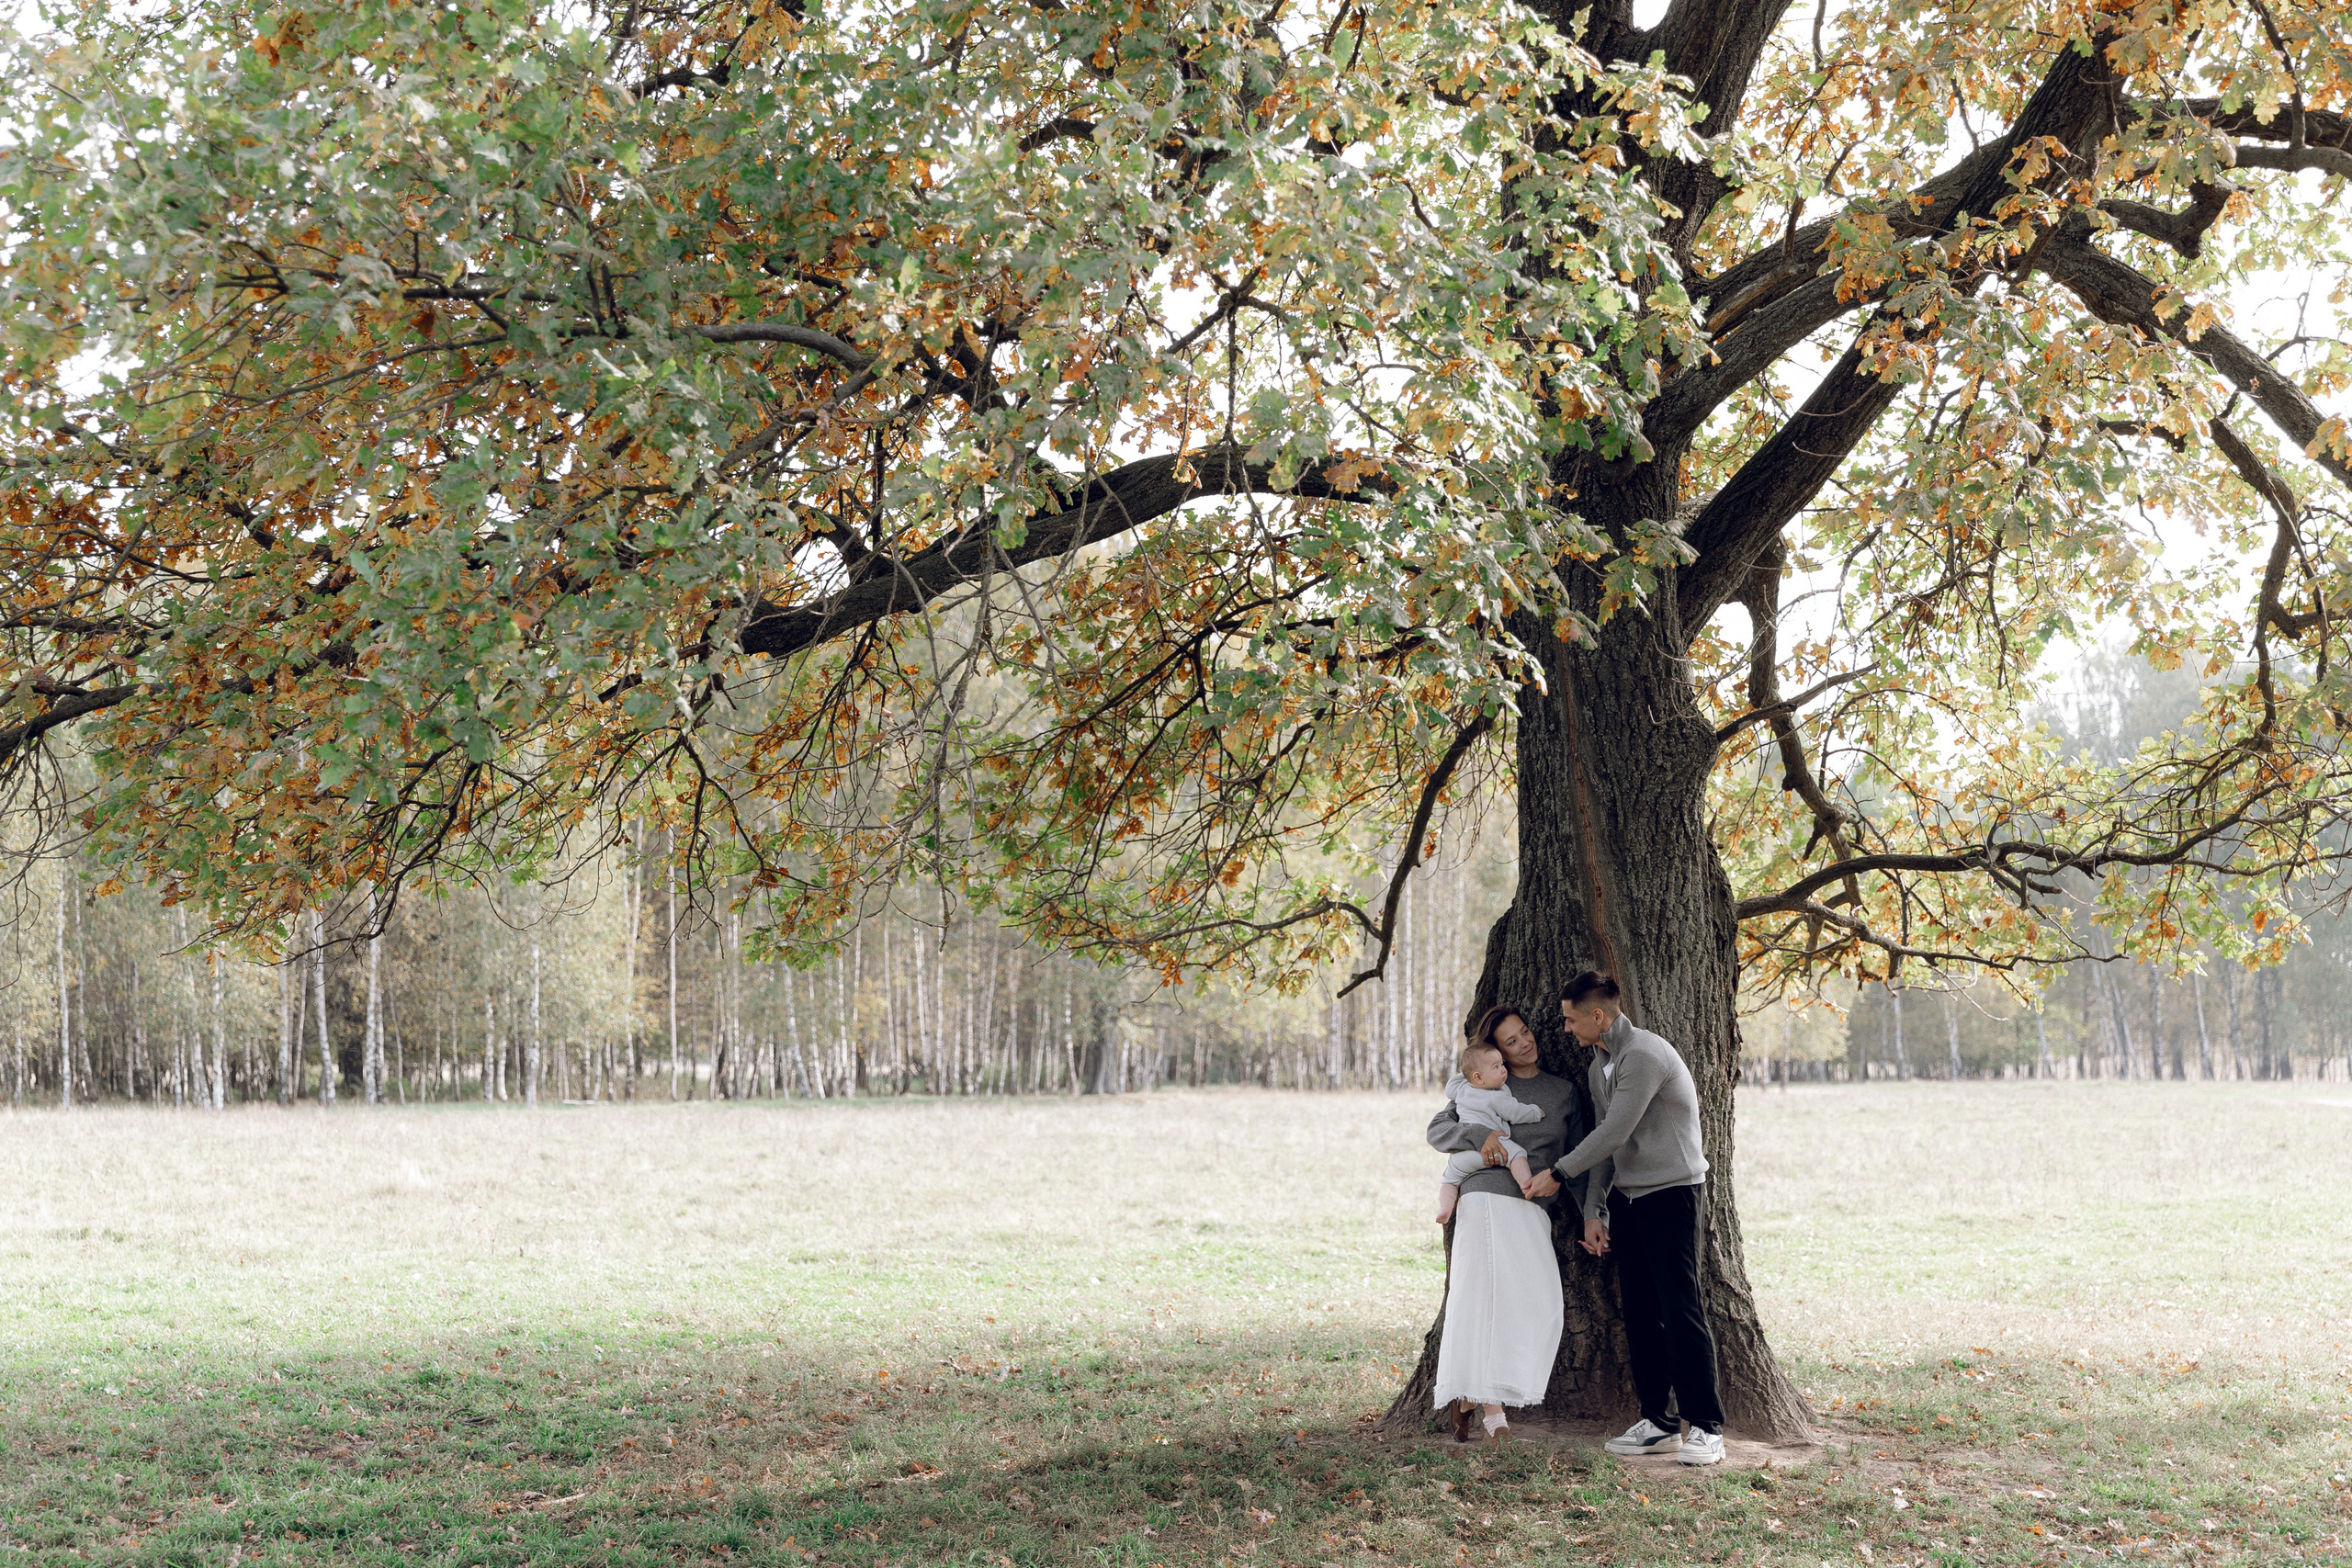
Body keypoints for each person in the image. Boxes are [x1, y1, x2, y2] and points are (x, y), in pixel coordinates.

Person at [1547, 970, 1725, 1467]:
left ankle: (1707, 1426)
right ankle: (1661, 1423)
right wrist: (1593, 1208)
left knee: (1680, 1308)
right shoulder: (1599, 1064)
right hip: (1629, 1199)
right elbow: (1610, 1141)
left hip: (1672, 1194)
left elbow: (1616, 1131)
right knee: (1641, 1313)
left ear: (1598, 1016)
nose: (1566, 1029)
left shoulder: (1643, 1054)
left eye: (1571, 1019)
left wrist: (1559, 1173)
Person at [1424, 1005, 1578, 1443]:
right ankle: (1495, 1416)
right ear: (1498, 1057)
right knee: (1487, 1298)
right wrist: (1481, 1137)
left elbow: (1582, 1156)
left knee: (1538, 1302)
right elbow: (1437, 1133)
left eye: (1525, 1033)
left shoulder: (1563, 1092)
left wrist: (1591, 1212)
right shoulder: (1482, 1087)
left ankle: (1469, 1395)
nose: (1524, 1043)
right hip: (1484, 1197)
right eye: (1511, 1041)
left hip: (1533, 1203)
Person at [1434, 1039, 1540, 1222]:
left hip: (1463, 1155)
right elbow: (1516, 1113)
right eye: (1496, 1067)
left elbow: (1451, 1086)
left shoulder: (1461, 1090)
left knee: (1449, 1180)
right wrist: (1536, 1112)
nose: (1503, 1070)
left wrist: (1468, 1071)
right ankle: (1525, 1184)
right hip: (1495, 1148)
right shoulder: (1495, 1097)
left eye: (1502, 1064)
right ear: (1478, 1077)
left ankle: (1446, 1207)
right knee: (1517, 1154)